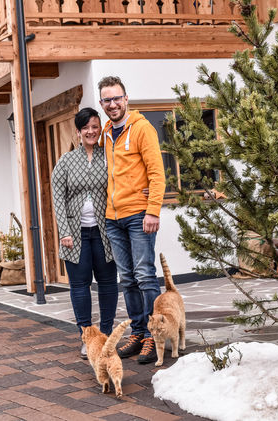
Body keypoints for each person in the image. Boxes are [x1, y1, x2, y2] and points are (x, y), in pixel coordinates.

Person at [98, 76, 166, 364]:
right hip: (113, 218)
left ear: (126, 99)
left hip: (139, 215)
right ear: (101, 104)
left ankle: (154, 335)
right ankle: (138, 332)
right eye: (106, 100)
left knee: (145, 276)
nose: (112, 104)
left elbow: (157, 173)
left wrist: (153, 210)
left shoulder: (142, 129)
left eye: (116, 98)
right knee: (127, 279)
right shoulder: (105, 133)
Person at [51, 107, 119, 359]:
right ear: (78, 132)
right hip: (75, 234)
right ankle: (87, 338)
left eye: (94, 126)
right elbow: (58, 199)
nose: (91, 131)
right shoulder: (66, 162)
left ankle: (106, 334)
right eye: (86, 128)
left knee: (109, 283)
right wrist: (64, 231)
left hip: (104, 232)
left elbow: (123, 180)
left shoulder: (108, 156)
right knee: (80, 286)